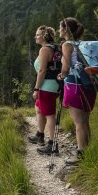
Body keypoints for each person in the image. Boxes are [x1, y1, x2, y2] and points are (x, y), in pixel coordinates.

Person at [57, 17, 96, 165]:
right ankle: (87, 151)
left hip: (74, 86)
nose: (58, 30)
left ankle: (80, 155)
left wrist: (61, 76)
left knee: (79, 122)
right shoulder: (82, 44)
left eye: (60, 27)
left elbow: (66, 68)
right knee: (85, 121)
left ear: (66, 29)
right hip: (88, 86)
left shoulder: (67, 45)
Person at [28, 25, 61, 154]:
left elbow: (42, 71)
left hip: (46, 85)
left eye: (37, 34)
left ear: (44, 36)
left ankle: (52, 145)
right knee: (39, 108)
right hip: (53, 84)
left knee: (49, 114)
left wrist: (36, 88)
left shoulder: (44, 50)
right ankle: (40, 134)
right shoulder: (55, 47)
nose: (35, 37)